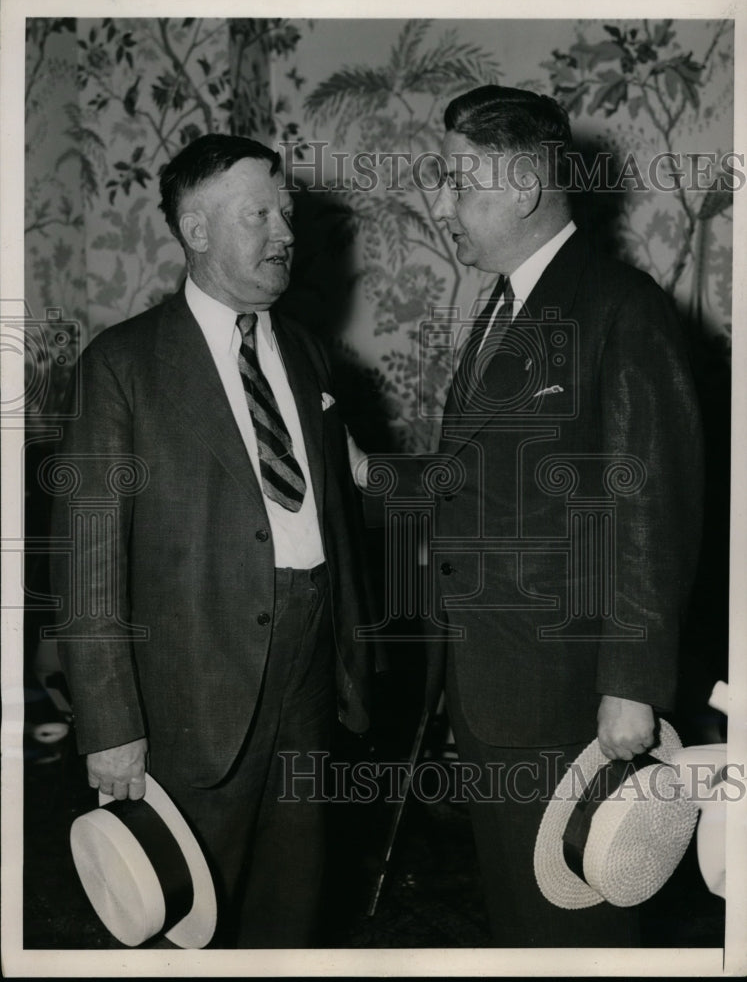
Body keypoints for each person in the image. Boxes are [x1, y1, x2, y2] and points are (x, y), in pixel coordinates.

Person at [349, 85, 704, 945]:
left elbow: (650, 503)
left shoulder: (619, 308)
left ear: (520, 187)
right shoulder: (501, 307)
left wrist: (631, 685)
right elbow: (483, 479)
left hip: (569, 688)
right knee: (519, 905)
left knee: (569, 920)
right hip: (488, 678)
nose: (442, 202)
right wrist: (367, 472)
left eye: (456, 180)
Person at [50, 133, 372, 948]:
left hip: (309, 666)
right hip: (190, 688)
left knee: (291, 900)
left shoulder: (303, 352)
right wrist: (111, 725)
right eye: (258, 214)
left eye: (287, 213)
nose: (284, 233)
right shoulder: (122, 365)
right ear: (196, 231)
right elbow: (89, 566)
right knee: (185, 913)